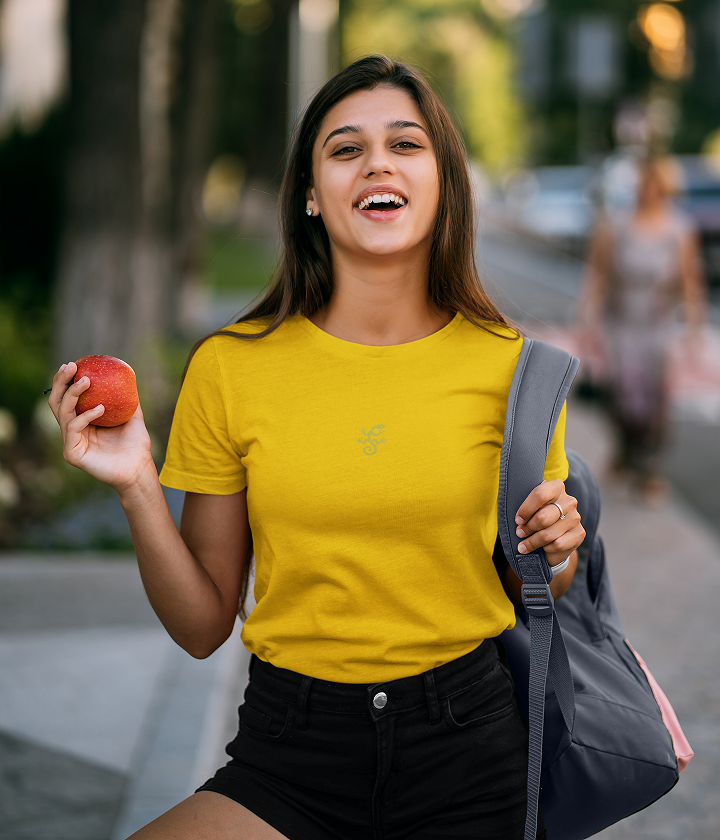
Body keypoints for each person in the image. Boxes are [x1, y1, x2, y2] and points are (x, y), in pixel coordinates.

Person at [48, 55, 585, 840]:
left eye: (406, 144)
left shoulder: (513, 366)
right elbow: (202, 628)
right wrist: (136, 482)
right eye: (344, 148)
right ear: (309, 193)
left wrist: (558, 551)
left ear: (442, 182)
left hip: (467, 752)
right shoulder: (230, 367)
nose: (377, 162)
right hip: (290, 749)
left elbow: (533, 581)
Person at [578, 156, 705, 500]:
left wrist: (694, 332)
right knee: (619, 391)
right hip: (619, 321)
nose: (651, 192)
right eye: (646, 185)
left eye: (658, 186)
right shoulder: (615, 227)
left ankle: (650, 468)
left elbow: (691, 284)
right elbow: (598, 275)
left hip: (656, 323)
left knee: (656, 395)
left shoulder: (679, 230)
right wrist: (586, 321)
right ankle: (624, 450)